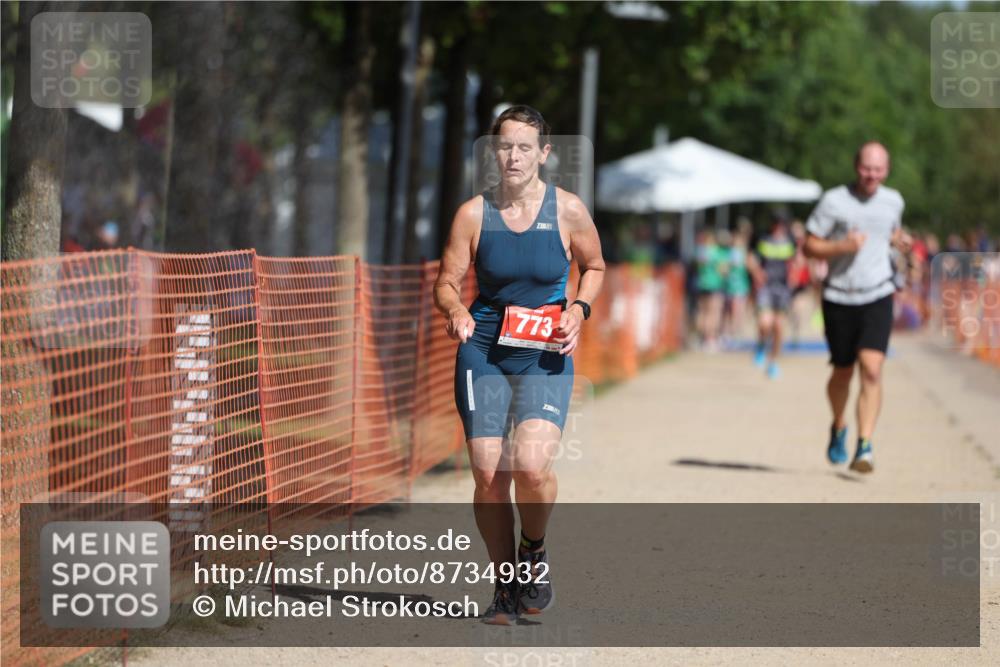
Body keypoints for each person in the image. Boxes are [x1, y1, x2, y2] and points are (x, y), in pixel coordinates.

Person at [433, 105, 605, 625]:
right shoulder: (472, 214)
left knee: (530, 466)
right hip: (483, 349)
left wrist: (579, 308)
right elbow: (445, 282)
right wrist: (456, 308)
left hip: (543, 352)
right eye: (505, 145)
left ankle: (534, 549)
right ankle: (505, 586)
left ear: (544, 154)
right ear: (493, 151)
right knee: (488, 474)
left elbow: (594, 266)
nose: (513, 156)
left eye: (525, 147)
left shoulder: (568, 210)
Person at [803, 141, 911, 473]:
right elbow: (808, 245)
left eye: (878, 169)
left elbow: (892, 233)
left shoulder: (894, 201)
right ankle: (839, 426)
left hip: (878, 292)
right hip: (839, 295)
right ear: (855, 166)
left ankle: (864, 445)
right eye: (866, 168)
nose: (871, 175)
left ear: (887, 170)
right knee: (843, 370)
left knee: (873, 369)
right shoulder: (833, 201)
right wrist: (841, 246)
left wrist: (900, 241)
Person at [749, 213, 796, 379]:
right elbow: (751, 258)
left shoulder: (790, 241)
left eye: (781, 224)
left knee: (778, 326)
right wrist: (757, 273)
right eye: (776, 223)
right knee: (765, 323)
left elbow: (798, 260)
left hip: (782, 288)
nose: (778, 227)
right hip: (766, 287)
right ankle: (761, 345)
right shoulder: (763, 240)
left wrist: (795, 275)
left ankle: (773, 362)